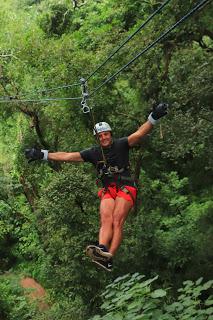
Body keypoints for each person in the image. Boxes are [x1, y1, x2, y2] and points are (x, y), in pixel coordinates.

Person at [25, 103, 168, 271]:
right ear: (97, 138)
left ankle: (109, 257)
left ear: (110, 134)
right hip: (108, 190)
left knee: (117, 220)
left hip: (126, 187)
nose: (103, 138)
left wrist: (154, 117)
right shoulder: (93, 153)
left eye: (106, 135)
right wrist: (43, 154)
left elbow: (140, 133)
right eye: (100, 136)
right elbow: (68, 156)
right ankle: (102, 250)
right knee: (106, 220)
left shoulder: (122, 144)